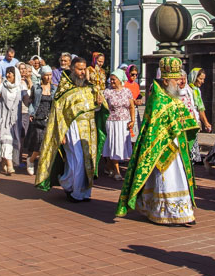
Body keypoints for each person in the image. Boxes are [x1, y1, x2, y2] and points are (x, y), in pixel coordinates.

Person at [117, 57, 199, 225]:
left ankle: (182, 212)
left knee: (179, 178)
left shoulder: (172, 96)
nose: (179, 83)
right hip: (162, 147)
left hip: (177, 145)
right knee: (166, 180)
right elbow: (155, 125)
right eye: (176, 80)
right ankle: (164, 213)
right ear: (167, 80)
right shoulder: (158, 98)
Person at [35, 57, 100, 202]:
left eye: (84, 69)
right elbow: (58, 113)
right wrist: (61, 133)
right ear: (72, 69)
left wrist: (99, 103)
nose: (82, 72)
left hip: (89, 129)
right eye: (79, 69)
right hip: (73, 128)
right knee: (77, 160)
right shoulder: (65, 89)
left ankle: (81, 191)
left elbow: (97, 108)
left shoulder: (90, 87)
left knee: (87, 160)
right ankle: (75, 192)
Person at [22, 65, 55, 176]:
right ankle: (31, 160)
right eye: (46, 75)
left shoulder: (54, 89)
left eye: (50, 75)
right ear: (42, 76)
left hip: (49, 118)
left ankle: (43, 166)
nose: (49, 77)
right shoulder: (36, 88)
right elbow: (31, 102)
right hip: (38, 117)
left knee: (48, 143)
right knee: (39, 142)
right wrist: (31, 113)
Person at [103, 69, 135, 180]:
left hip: (124, 122)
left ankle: (111, 167)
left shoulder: (127, 91)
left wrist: (133, 120)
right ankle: (116, 171)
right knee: (114, 145)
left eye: (113, 79)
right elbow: (101, 106)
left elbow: (131, 106)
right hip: (112, 122)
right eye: (110, 79)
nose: (111, 81)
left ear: (120, 80)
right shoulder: (107, 92)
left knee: (123, 145)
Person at [0, 65, 22, 175]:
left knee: (10, 141)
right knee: (5, 140)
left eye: (10, 73)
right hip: (2, 117)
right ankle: (10, 165)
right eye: (7, 72)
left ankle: (3, 164)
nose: (8, 75)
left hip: (13, 120)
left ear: (15, 76)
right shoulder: (1, 86)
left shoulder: (18, 88)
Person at [187, 67, 211, 163]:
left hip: (195, 120)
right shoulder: (188, 90)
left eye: (203, 79)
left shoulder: (196, 90)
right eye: (200, 79)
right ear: (194, 77)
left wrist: (206, 123)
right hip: (189, 121)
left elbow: (200, 108)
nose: (202, 81)